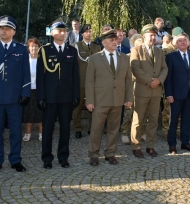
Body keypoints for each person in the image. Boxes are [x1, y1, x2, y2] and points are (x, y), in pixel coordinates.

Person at [85, 29, 133, 166]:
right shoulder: (94, 58)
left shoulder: (125, 58)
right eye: (111, 40)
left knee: (113, 128)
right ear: (103, 42)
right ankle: (93, 154)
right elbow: (89, 81)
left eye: (116, 39)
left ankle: (110, 153)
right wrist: (89, 100)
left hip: (118, 99)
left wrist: (129, 98)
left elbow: (128, 80)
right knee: (96, 128)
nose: (115, 42)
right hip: (100, 100)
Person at [36, 20, 80, 169]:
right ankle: (47, 158)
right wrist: (40, 96)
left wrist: (76, 95)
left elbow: (76, 76)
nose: (62, 33)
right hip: (49, 97)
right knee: (47, 129)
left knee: (65, 129)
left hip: (66, 97)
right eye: (59, 31)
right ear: (52, 33)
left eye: (64, 31)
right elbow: (40, 76)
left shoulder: (72, 51)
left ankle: (63, 157)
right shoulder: (44, 50)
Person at [0, 15, 30, 174]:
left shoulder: (21, 50)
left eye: (7, 29)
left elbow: (26, 74)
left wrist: (25, 92)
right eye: (1, 28)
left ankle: (15, 160)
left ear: (13, 31)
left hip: (15, 99)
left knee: (15, 131)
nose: (3, 31)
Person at [130, 24, 168, 158]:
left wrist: (159, 81)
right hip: (142, 90)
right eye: (150, 35)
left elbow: (165, 68)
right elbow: (135, 68)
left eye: (154, 35)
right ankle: (136, 146)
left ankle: (150, 146)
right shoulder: (136, 50)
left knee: (153, 120)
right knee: (138, 120)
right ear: (144, 36)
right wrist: (149, 81)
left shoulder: (159, 51)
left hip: (156, 91)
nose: (153, 37)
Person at [164, 33, 190, 154]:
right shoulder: (171, 57)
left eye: (185, 40)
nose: (182, 42)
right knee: (173, 121)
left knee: (186, 120)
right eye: (179, 41)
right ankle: (172, 144)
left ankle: (185, 143)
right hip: (175, 94)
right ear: (175, 44)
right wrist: (169, 94)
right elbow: (168, 78)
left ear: (188, 43)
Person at [72, 24, 101, 138]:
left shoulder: (97, 47)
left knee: (93, 105)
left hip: (94, 81)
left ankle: (91, 127)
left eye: (90, 31)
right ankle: (77, 128)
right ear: (82, 34)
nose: (89, 33)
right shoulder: (76, 46)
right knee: (78, 106)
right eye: (86, 32)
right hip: (81, 81)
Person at [22, 38, 42, 142]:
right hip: (28, 90)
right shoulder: (25, 60)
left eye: (35, 46)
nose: (34, 48)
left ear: (39, 47)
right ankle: (28, 133)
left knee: (40, 112)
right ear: (28, 48)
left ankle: (41, 133)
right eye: (31, 46)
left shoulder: (42, 60)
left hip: (39, 90)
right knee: (28, 113)